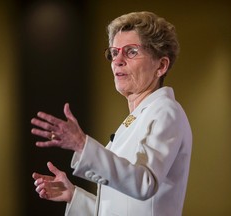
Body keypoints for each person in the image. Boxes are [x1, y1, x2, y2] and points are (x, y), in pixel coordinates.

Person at [31, 11, 192, 216]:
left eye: (131, 51)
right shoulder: (136, 119)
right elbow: (124, 208)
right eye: (114, 52)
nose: (118, 60)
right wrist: (74, 196)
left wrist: (82, 144)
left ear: (161, 65)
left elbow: (145, 183)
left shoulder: (166, 111)